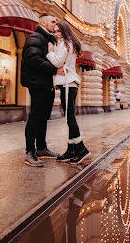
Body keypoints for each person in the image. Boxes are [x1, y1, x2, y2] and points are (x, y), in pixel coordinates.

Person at [46, 22, 90, 164]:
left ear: (64, 31)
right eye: (54, 32)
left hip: (68, 83)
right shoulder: (68, 43)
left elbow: (58, 62)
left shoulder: (64, 44)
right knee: (68, 117)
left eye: (58, 31)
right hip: (69, 83)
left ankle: (81, 148)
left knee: (70, 117)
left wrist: (50, 51)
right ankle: (71, 150)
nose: (56, 34)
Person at [21, 13, 60, 167]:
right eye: (53, 22)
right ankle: (30, 151)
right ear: (43, 24)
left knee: (44, 116)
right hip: (37, 83)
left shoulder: (47, 40)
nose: (55, 25)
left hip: (46, 84)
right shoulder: (35, 37)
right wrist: (54, 69)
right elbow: (33, 61)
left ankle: (42, 148)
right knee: (36, 117)